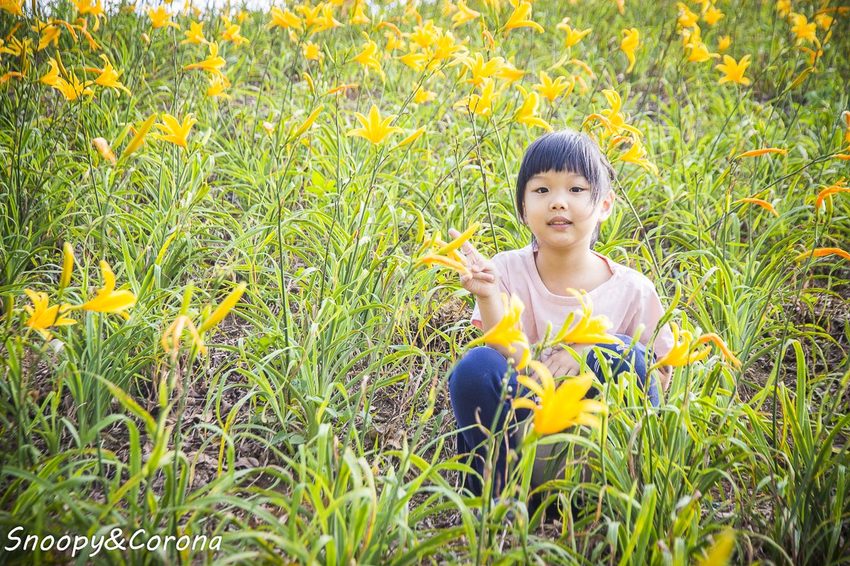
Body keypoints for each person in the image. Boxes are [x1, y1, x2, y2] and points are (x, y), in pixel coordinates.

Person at [446, 129, 675, 501]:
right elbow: (509, 357)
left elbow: (657, 377)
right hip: (520, 438)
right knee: (474, 366)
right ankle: (494, 497)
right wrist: (488, 296)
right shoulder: (504, 269)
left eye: (576, 190)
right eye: (541, 190)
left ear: (604, 205)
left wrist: (589, 352)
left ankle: (623, 498)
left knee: (628, 354)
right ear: (522, 207)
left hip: (597, 455)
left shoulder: (634, 289)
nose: (558, 202)